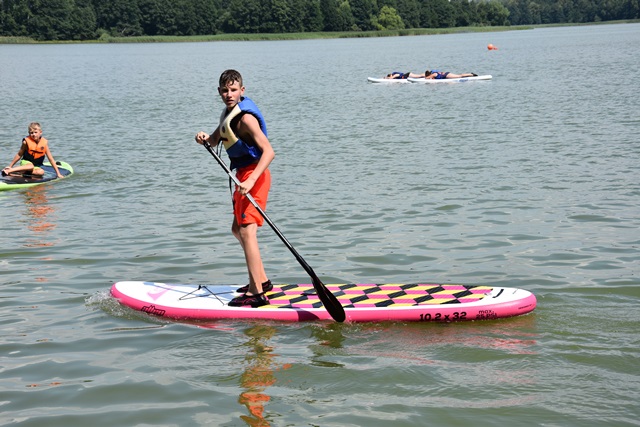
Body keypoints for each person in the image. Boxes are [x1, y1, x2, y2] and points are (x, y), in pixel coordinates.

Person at [195, 69, 275, 308]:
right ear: (219, 92)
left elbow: (269, 152)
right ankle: (262, 280)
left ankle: (257, 293)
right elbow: (214, 140)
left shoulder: (247, 119)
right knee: (236, 230)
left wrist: (251, 181)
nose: (229, 94)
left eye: (233, 90)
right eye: (225, 90)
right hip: (242, 176)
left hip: (255, 175)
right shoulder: (227, 115)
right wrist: (204, 138)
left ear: (242, 90)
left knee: (247, 232)